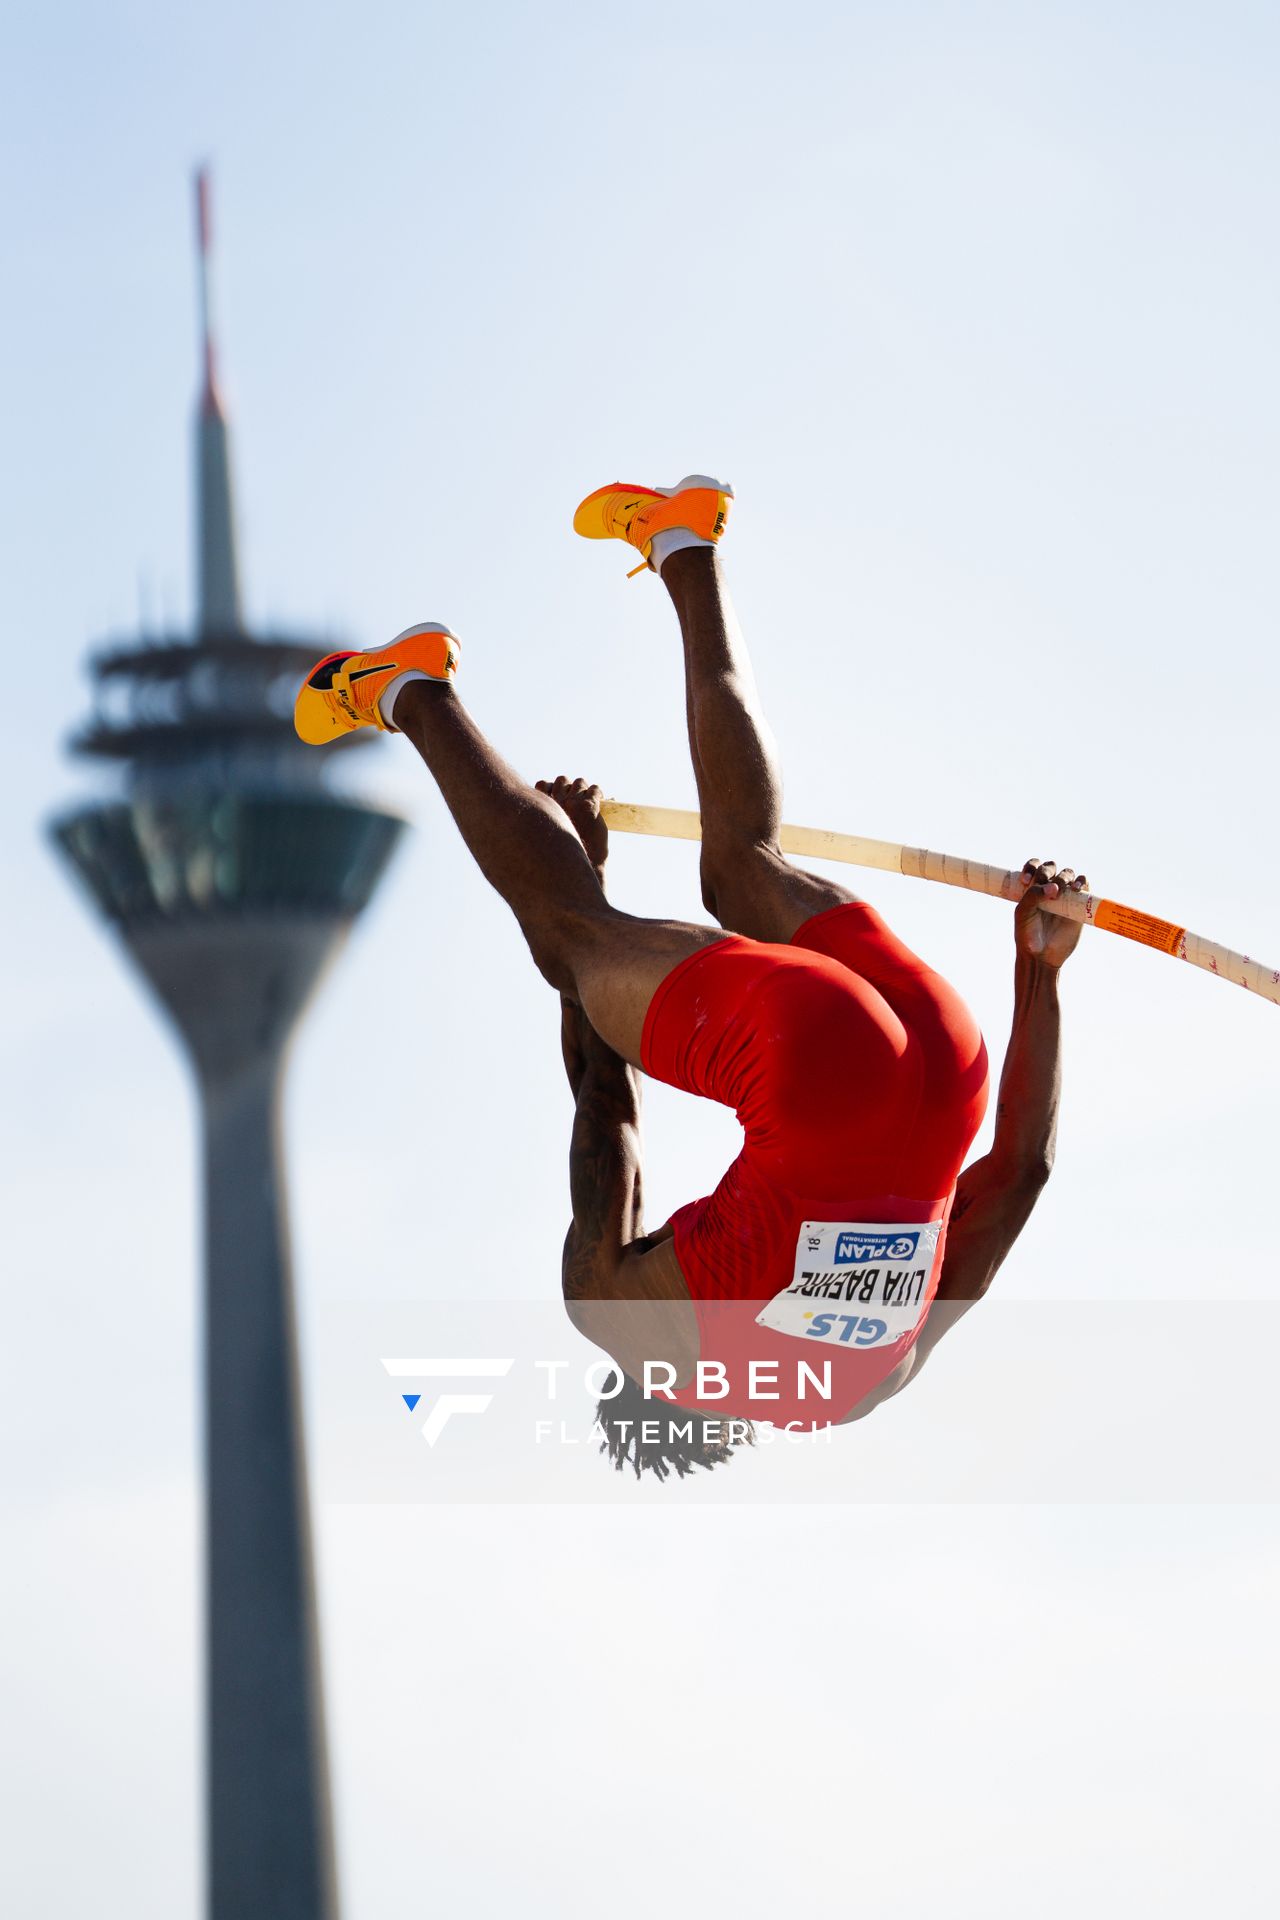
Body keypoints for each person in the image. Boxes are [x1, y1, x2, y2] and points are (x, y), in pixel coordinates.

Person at [294, 476, 1087, 1480]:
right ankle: (407, 690)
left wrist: (1038, 974)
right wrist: (583, 885)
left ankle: (682, 540)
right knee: (566, 941)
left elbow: (1020, 1175)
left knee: (740, 872)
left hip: (945, 1059)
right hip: (813, 1058)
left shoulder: (870, 1387)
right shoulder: (625, 1329)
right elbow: (604, 1108)